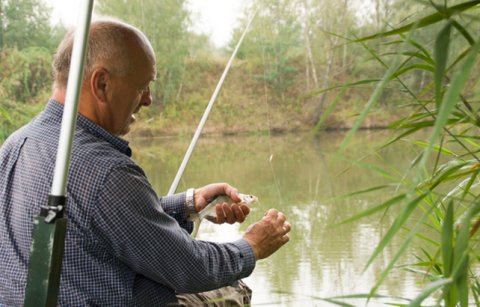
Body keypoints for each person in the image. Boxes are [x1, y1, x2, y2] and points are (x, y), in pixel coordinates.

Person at [0, 18, 291, 306]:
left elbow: (91, 222)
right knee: (233, 290)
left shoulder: (15, 145)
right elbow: (189, 268)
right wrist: (252, 246)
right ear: (101, 83)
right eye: (142, 86)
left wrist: (188, 204)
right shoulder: (108, 172)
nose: (149, 99)